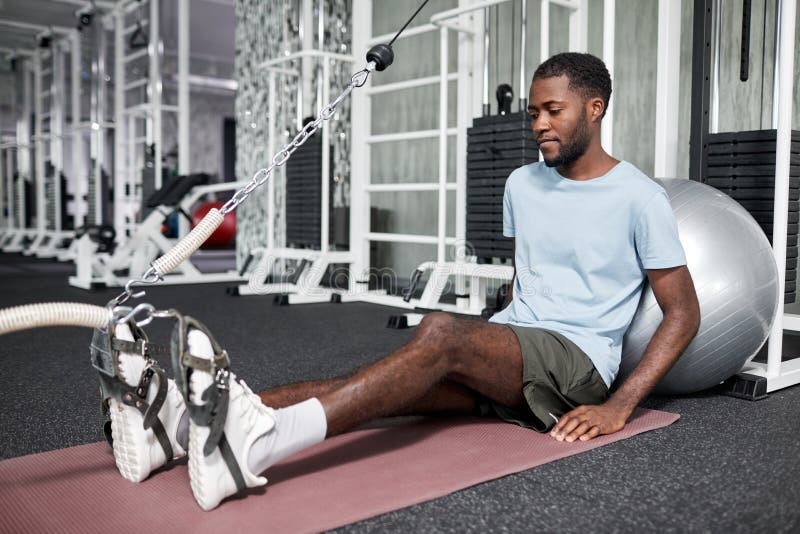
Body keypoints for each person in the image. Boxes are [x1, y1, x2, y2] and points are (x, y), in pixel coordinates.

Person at [104, 52, 700, 511]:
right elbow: (531, 277)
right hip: (518, 350)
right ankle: (175, 433)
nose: (539, 124)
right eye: (533, 112)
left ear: (594, 109)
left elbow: (682, 312)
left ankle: (261, 447)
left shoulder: (640, 198)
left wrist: (620, 405)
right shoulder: (523, 183)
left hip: (577, 363)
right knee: (374, 385)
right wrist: (494, 339)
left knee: (440, 333)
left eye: (553, 111)